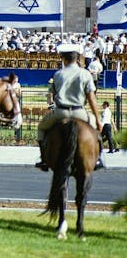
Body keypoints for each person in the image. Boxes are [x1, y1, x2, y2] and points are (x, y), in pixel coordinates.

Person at [35, 43, 104, 171]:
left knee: (41, 128)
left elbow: (53, 95)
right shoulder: (85, 74)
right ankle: (98, 157)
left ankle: (43, 158)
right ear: (77, 59)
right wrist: (98, 119)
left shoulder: (58, 74)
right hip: (79, 112)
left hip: (60, 112)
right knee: (95, 130)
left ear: (64, 59)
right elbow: (91, 98)